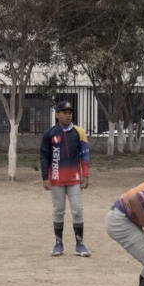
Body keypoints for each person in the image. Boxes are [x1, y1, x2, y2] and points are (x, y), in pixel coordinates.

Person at [40, 100, 91, 257]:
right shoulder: (49, 134)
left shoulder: (79, 132)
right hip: (56, 180)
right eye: (64, 113)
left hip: (74, 179)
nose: (68, 116)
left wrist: (86, 175)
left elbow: (85, 155)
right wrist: (45, 177)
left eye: (70, 113)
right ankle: (58, 243)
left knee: (77, 210)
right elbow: (44, 156)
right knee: (58, 210)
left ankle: (80, 244)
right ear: (57, 115)